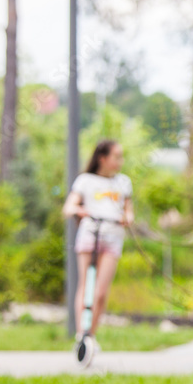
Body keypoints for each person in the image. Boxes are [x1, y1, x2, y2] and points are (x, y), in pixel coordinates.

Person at [62, 140, 134, 355]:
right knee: (86, 286)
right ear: (103, 158)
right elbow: (68, 207)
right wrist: (80, 210)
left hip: (113, 237)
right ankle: (81, 335)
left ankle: (90, 335)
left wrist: (127, 218)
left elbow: (130, 211)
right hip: (90, 234)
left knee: (101, 292)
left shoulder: (123, 182)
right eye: (116, 156)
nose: (120, 161)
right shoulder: (85, 181)